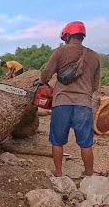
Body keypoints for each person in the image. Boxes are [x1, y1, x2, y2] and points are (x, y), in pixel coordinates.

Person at [40, 21, 101, 178]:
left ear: (67, 36)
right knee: (86, 143)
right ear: (82, 36)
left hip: (62, 103)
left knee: (57, 141)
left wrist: (46, 80)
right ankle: (89, 175)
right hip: (84, 105)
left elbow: (46, 75)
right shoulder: (94, 56)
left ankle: (59, 173)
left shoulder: (60, 52)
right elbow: (95, 86)